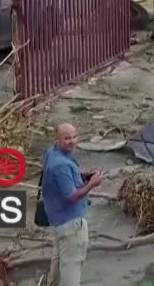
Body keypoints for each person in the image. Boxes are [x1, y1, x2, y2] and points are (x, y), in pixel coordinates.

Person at [41, 122, 103, 286]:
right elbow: (71, 196)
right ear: (58, 139)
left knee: (58, 262)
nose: (72, 141)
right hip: (71, 224)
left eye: (75, 137)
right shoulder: (61, 165)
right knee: (72, 266)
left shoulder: (51, 153)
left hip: (56, 220)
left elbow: (62, 178)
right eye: (67, 138)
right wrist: (91, 184)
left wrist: (82, 175)